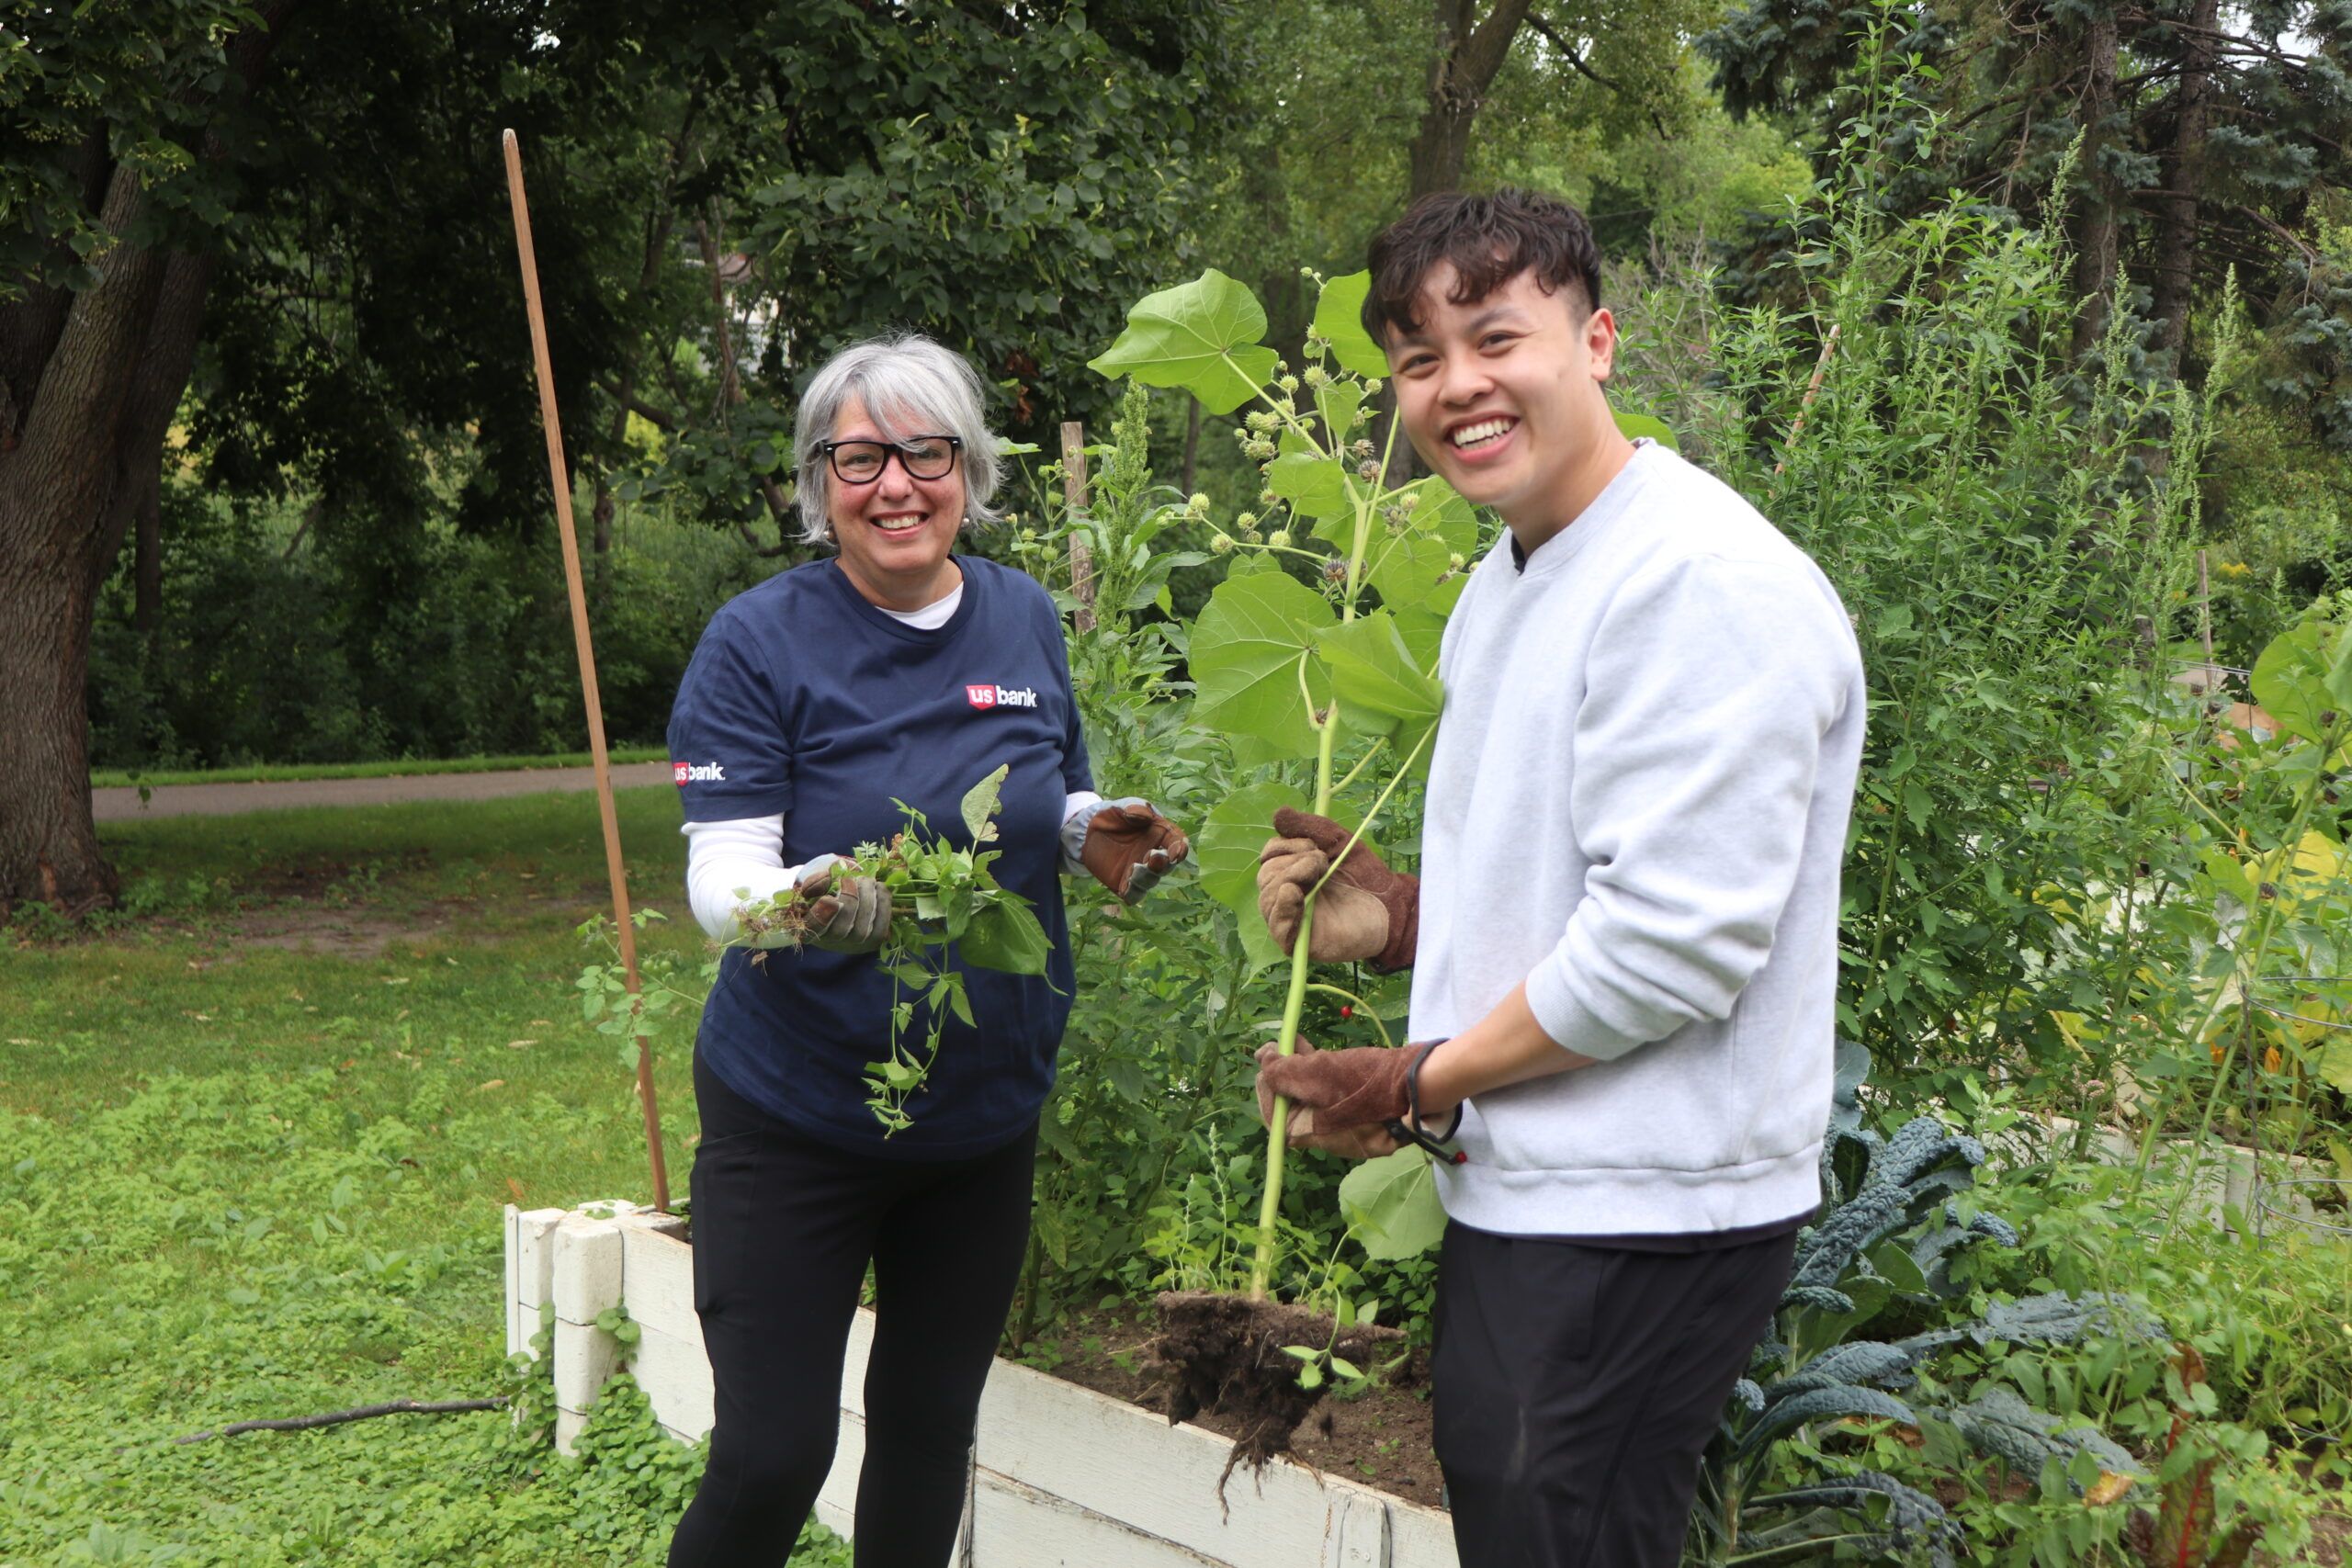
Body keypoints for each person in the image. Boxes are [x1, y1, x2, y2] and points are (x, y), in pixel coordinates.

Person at [1251, 190, 1866, 1566]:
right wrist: (1400, 921)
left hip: (1644, 1206)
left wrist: (1412, 1082)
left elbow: (1668, 951)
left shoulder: (1697, 581)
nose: (1457, 385)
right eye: (1419, 359)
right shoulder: (1519, 571)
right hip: (1552, 1185)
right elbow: (1587, 880)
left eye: (1494, 337)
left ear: (1595, 339)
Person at [662, 333, 1188, 1568]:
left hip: (977, 1118)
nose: (895, 484)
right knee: (772, 1456)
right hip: (795, 1115)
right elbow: (720, 881)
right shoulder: (755, 643)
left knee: (925, 1433)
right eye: (859, 458)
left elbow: (1038, 796)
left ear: (967, 470)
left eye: (925, 453)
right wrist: (802, 897)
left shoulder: (1016, 612)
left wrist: (1086, 831)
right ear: (817, 482)